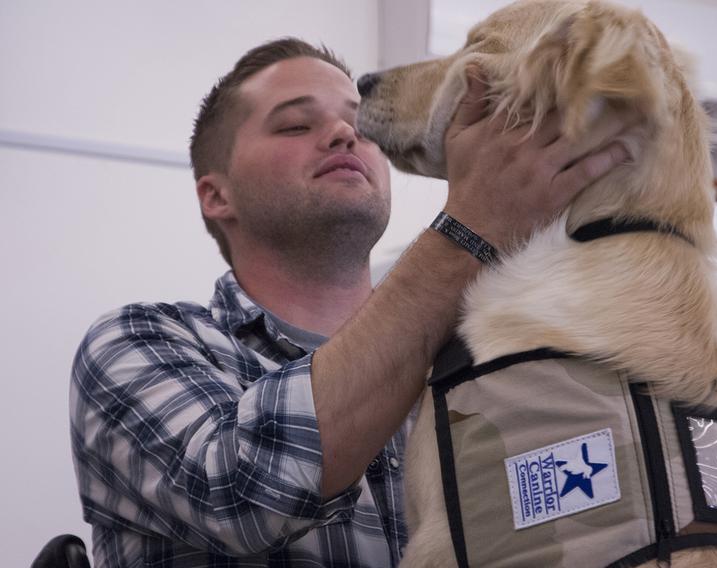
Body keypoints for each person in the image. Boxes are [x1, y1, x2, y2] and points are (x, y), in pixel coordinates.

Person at [69, 38, 630, 567]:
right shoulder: (138, 341)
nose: (344, 132)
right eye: (294, 124)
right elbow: (239, 492)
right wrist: (472, 227)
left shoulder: (481, 366)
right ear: (217, 194)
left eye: (358, 121)